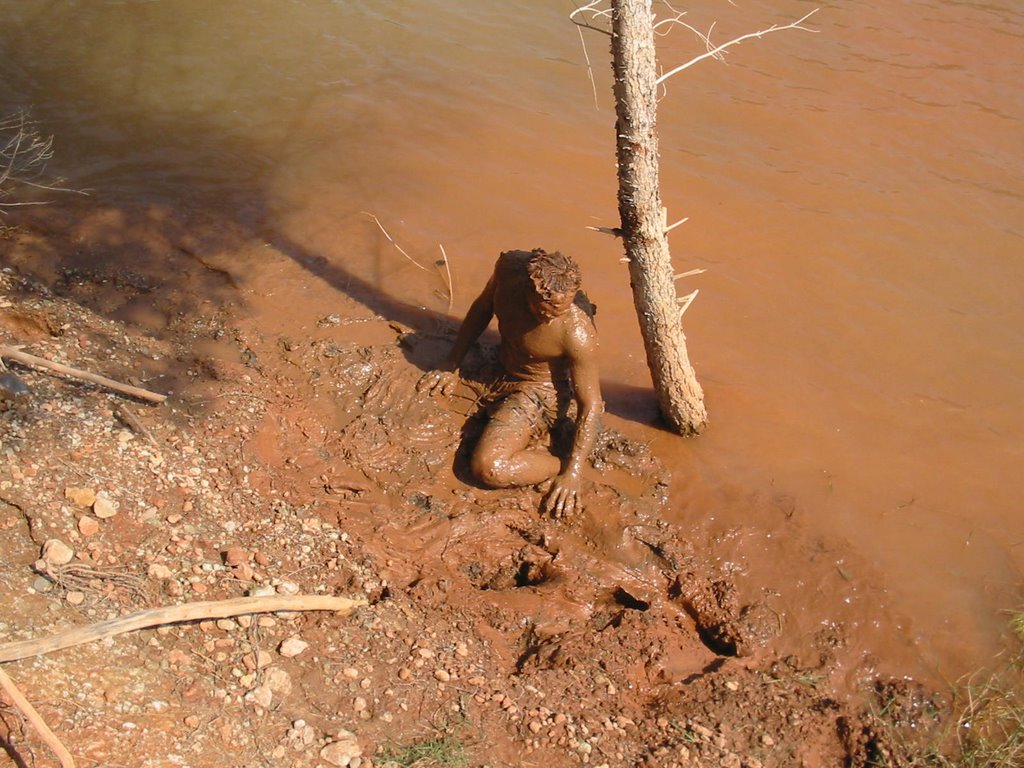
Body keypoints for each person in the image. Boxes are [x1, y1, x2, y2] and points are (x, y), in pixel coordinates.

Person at [420, 248, 603, 517]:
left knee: (489, 467)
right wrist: (452, 362)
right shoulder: (508, 269)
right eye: (546, 309)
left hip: (540, 391)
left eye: (563, 308)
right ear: (529, 289)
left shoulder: (576, 332)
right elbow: (483, 307)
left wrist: (573, 470)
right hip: (502, 365)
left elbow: (592, 405)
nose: (553, 317)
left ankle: (556, 462)